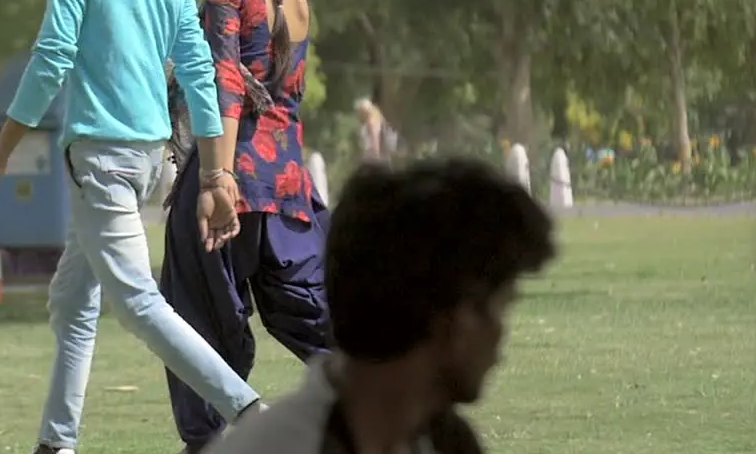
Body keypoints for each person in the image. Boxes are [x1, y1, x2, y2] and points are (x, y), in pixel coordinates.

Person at [0, 0, 264, 454]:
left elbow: (51, 60)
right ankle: (56, 441)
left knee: (135, 303)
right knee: (73, 301)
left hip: (100, 156)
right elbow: (201, 77)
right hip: (149, 158)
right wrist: (216, 174)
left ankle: (249, 411)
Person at [205, 159, 557, 454]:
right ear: (450, 320)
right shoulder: (279, 446)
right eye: (498, 307)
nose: (500, 336)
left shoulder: (444, 441)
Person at [161, 0, 330, 453]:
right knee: (308, 315)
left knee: (197, 318)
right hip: (288, 186)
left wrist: (218, 178)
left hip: (235, 176)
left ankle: (206, 444)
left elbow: (224, 88)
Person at [354, 98, 396, 164]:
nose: (359, 114)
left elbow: (375, 138)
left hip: (373, 157)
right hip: (383, 156)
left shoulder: (371, 122)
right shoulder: (378, 118)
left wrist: (376, 157)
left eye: (360, 111)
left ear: (364, 111)